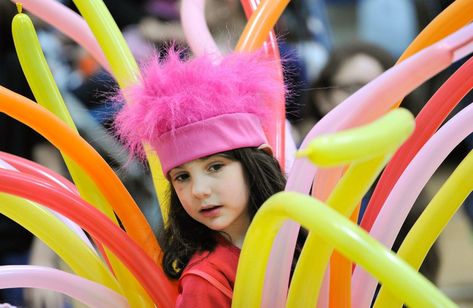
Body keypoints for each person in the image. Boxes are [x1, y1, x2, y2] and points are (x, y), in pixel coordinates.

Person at [112, 49, 291, 306]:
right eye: (182, 176)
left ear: (257, 162)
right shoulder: (206, 279)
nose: (199, 190)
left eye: (215, 167)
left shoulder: (299, 237)